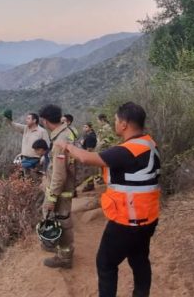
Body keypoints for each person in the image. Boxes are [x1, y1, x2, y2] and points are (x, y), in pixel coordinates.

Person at [55, 102, 160, 297]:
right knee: (139, 259)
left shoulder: (126, 151)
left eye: (116, 120)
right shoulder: (149, 144)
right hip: (148, 218)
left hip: (126, 221)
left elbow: (86, 158)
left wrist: (67, 145)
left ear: (124, 124)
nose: (115, 124)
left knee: (105, 264)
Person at [39, 104, 77, 268]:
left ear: (45, 121)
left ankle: (65, 257)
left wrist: (51, 198)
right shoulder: (68, 131)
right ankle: (63, 252)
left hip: (61, 191)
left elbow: (59, 175)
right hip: (67, 186)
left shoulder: (59, 142)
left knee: (62, 221)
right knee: (63, 219)